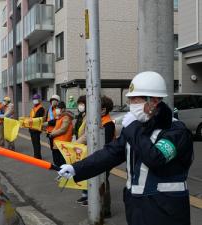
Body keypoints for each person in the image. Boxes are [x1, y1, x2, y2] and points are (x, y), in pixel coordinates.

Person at [58, 71, 193, 225]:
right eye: (130, 99)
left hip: (166, 212)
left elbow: (156, 158)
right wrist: (76, 169)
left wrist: (133, 127)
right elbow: (110, 153)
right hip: (136, 208)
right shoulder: (138, 129)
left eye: (136, 99)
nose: (131, 104)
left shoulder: (175, 131)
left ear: (154, 101)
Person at [75, 96, 115, 213]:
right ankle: (96, 204)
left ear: (103, 109)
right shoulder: (99, 120)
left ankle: (105, 210)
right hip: (98, 156)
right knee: (96, 180)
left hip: (105, 157)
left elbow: (105, 143)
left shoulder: (108, 124)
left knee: (103, 182)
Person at [48, 101, 74, 167]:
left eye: (58, 108)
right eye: (56, 108)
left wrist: (52, 134)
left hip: (63, 144)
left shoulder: (66, 117)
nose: (57, 110)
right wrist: (51, 133)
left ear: (63, 109)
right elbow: (56, 128)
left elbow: (63, 130)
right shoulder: (59, 117)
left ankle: (64, 176)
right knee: (57, 161)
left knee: (62, 163)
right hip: (57, 144)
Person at [29, 94, 45, 159]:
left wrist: (29, 120)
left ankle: (38, 156)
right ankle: (36, 155)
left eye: (36, 99)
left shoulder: (41, 108)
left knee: (36, 143)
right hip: (32, 128)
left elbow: (36, 118)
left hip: (36, 128)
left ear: (39, 100)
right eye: (34, 99)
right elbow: (31, 116)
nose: (34, 100)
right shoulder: (34, 108)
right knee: (34, 143)